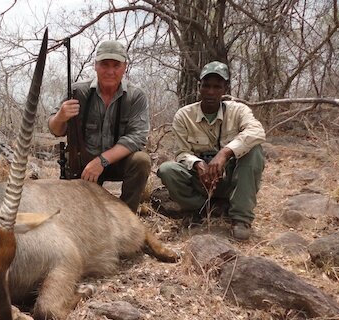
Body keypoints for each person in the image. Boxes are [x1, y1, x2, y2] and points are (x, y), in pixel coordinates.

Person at [156, 61, 265, 240]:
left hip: (231, 178)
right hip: (201, 181)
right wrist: (197, 164)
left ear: (225, 88)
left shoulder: (238, 110)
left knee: (255, 151)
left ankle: (241, 218)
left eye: (217, 86)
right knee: (167, 170)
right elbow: (182, 153)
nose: (211, 92)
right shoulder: (184, 115)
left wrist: (225, 153)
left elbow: (257, 132)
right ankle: (198, 210)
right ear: (199, 87)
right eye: (206, 86)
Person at [48, 40, 150, 213]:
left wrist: (102, 161)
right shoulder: (77, 92)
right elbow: (55, 130)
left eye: (116, 65)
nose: (110, 71)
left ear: (125, 66)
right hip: (83, 165)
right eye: (104, 65)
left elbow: (137, 137)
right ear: (95, 65)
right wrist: (60, 116)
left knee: (141, 160)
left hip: (117, 162)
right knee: (76, 214)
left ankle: (126, 217)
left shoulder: (136, 96)